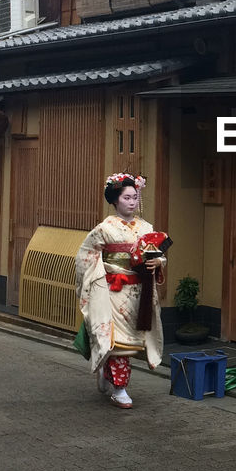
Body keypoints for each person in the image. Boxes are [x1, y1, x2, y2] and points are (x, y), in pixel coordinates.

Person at [74, 172, 167, 409]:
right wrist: (98, 276)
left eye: (135, 197)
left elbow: (157, 254)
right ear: (115, 200)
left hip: (139, 292)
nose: (132, 202)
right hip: (113, 291)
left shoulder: (146, 227)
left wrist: (158, 263)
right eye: (127, 198)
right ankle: (120, 388)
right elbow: (85, 257)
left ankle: (108, 370)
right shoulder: (104, 228)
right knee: (119, 343)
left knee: (135, 342)